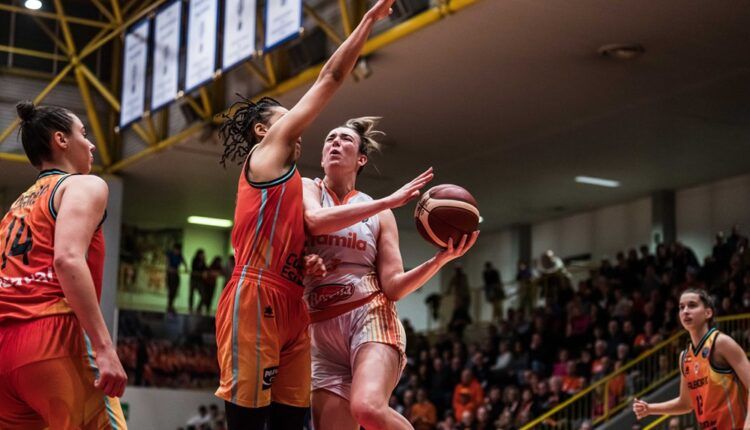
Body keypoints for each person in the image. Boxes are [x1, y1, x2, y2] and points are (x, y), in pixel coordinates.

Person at [214, 1, 398, 428]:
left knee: (292, 421)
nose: (297, 125)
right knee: (248, 421)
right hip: (255, 293)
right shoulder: (267, 156)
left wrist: (306, 259)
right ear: (265, 131)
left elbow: (295, 232)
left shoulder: (297, 184)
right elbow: (331, 76)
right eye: (286, 119)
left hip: (294, 300)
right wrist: (366, 21)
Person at [302, 116, 478, 430]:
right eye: (330, 139)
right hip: (321, 331)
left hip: (369, 319)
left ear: (361, 159)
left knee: (368, 409)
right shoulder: (307, 189)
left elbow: (394, 287)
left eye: (345, 140)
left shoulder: (381, 214)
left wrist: (439, 260)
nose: (335, 144)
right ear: (321, 156)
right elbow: (314, 221)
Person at [0, 101, 127, 428]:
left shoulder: (15, 208)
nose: (91, 144)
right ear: (61, 140)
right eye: (83, 134)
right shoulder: (83, 185)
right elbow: (67, 258)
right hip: (52, 337)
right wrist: (104, 347)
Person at [632, 288, 750, 428]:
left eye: (692, 305)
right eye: (681, 307)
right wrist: (650, 409)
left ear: (708, 313)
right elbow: (686, 403)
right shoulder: (685, 357)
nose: (685, 311)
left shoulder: (721, 343)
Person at [166, 242, 187, 314]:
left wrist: (186, 268)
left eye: (179, 250)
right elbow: (168, 263)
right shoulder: (170, 254)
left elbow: (184, 261)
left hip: (175, 273)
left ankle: (171, 305)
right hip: (170, 274)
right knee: (171, 290)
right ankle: (169, 305)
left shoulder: (180, 255)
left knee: (175, 289)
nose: (178, 252)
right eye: (177, 250)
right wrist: (170, 268)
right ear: (174, 249)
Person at [189, 249, 208, 314]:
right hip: (194, 279)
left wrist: (204, 272)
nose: (202, 255)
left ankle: (198, 308)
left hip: (200, 280)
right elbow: (194, 268)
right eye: (201, 254)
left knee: (203, 295)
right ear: (199, 254)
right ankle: (190, 308)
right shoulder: (195, 260)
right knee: (191, 294)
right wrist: (201, 272)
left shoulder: (203, 261)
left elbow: (205, 268)